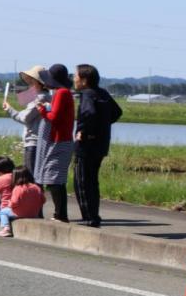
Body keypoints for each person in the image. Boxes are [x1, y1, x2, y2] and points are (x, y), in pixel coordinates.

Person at [72, 63, 123, 227]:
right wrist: (102, 127)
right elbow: (117, 112)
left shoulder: (87, 94)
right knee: (92, 181)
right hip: (101, 144)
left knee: (81, 181)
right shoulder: (103, 93)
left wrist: (84, 132)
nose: (74, 79)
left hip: (86, 145)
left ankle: (89, 218)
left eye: (76, 76)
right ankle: (93, 216)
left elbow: (89, 113)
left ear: (84, 80)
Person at [34, 63, 76, 222]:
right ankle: (60, 214)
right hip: (62, 140)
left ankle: (61, 215)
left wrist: (42, 110)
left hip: (59, 141)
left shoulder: (61, 93)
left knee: (54, 179)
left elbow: (54, 117)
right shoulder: (63, 92)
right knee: (55, 179)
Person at [3, 65, 52, 175]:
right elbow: (22, 100)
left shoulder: (41, 98)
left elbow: (25, 118)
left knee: (31, 176)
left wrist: (10, 110)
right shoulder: (45, 95)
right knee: (36, 176)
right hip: (38, 141)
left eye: (31, 80)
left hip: (33, 142)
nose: (29, 82)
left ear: (37, 82)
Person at [0, 167, 46, 237]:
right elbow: (43, 200)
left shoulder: (18, 188)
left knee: (3, 212)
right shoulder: (36, 187)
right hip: (34, 214)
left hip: (20, 213)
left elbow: (14, 203)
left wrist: (9, 203)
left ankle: (6, 229)